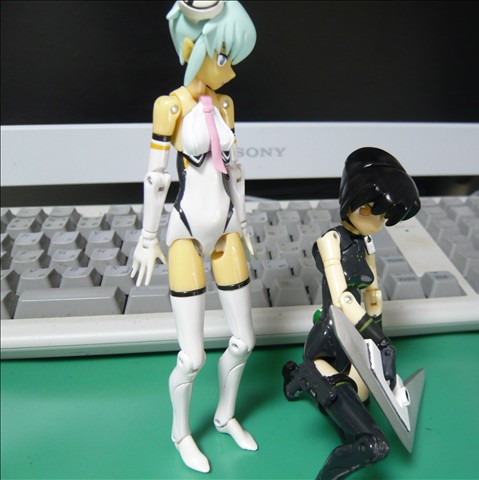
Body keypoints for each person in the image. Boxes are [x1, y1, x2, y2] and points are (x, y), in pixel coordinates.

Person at [130, 1, 257, 473]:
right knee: (192, 355)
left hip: (226, 229)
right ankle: (181, 432)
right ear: (192, 48)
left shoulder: (225, 104)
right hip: (185, 231)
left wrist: (244, 223)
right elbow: (156, 177)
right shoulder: (171, 106)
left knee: (244, 340)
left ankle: (225, 416)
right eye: (223, 56)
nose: (230, 69)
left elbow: (234, 172)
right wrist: (148, 237)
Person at [283, 147, 421, 480]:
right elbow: (343, 297)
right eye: (381, 215)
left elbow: (372, 292)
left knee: (362, 396)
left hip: (355, 342)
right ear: (361, 206)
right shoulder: (330, 241)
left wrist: (377, 341)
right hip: (330, 341)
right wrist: (378, 338)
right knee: (370, 440)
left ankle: (300, 378)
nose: (383, 224)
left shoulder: (366, 243)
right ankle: (305, 378)